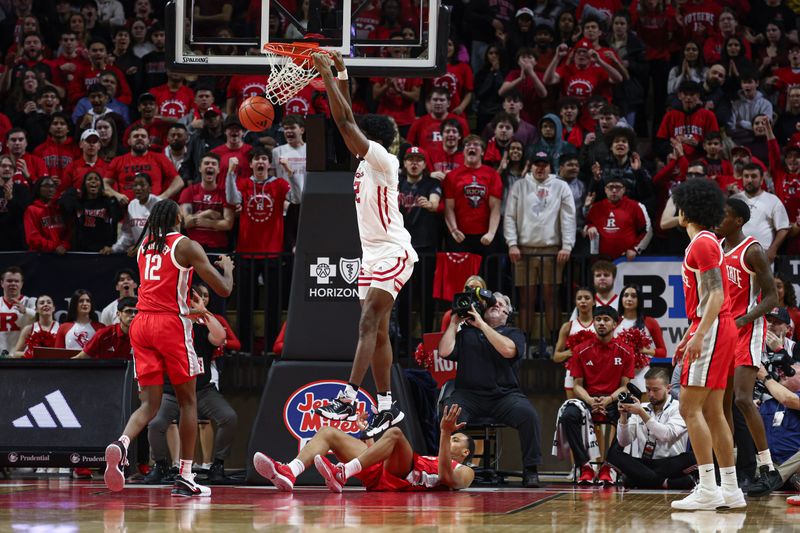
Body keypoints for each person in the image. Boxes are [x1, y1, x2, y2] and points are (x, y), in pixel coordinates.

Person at [304, 52, 418, 437]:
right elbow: (349, 118)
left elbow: (345, 120)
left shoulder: (385, 161)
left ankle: (350, 396)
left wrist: (324, 78)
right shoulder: (365, 161)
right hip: (371, 256)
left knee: (367, 321)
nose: (400, 142)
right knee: (380, 331)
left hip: (393, 251)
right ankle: (386, 405)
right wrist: (341, 72)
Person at [103, 199, 234, 497]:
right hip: (168, 325)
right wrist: (227, 269)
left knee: (149, 403)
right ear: (177, 217)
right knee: (188, 402)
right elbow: (224, 290)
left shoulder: (145, 245)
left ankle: (122, 444)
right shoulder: (186, 245)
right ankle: (186, 475)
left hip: (141, 323)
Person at [670, 178, 744, 510]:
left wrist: (699, 335)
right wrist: (689, 334)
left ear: (688, 208)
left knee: (689, 408)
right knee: (713, 411)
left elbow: (716, 294)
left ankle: (708, 487)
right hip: (715, 327)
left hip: (713, 328)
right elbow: (706, 297)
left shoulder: (702, 243)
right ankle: (730, 489)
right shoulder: (707, 242)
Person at [438, 292, 542, 487]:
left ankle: (531, 470)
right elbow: (444, 351)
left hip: (504, 396)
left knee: (528, 415)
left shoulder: (514, 333)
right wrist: (453, 323)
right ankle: (448, 467)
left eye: (501, 304)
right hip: (469, 394)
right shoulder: (466, 333)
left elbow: (508, 350)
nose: (495, 305)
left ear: (507, 313)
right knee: (449, 414)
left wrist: (482, 326)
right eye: (492, 303)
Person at [716, 198, 781, 495]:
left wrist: (742, 321)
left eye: (724, 215)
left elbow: (771, 299)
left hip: (749, 328)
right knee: (724, 403)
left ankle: (768, 468)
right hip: (724, 331)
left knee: (743, 399)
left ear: (738, 220)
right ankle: (729, 472)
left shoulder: (752, 250)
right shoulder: (716, 247)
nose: (719, 219)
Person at [253, 404, 475, 492]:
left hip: (402, 480)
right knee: (328, 432)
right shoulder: (432, 456)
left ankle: (343, 472)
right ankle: (290, 471)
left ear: (466, 452)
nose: (450, 441)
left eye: (457, 440)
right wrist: (367, 434)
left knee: (396, 433)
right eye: (451, 437)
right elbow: (378, 454)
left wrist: (445, 432)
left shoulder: (466, 471)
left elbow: (447, 477)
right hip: (382, 472)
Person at [145, 286, 238, 484]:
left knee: (229, 418)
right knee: (155, 424)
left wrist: (203, 310)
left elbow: (220, 337)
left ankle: (217, 465)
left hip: (202, 390)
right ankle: (160, 465)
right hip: (171, 391)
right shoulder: (167, 328)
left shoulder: (201, 327)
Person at [554, 305, 634, 485]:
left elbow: (625, 386)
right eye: (598, 320)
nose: (601, 323)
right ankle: (585, 466)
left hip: (613, 399)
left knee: (628, 417)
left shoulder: (626, 350)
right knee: (568, 416)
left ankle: (609, 466)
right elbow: (577, 385)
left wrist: (609, 399)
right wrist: (590, 400)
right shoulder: (581, 350)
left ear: (615, 324)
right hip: (588, 400)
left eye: (606, 320)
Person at [504, 150, 575, 347]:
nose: (540, 167)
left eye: (544, 164)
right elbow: (509, 216)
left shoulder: (561, 186)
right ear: (531, 165)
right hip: (523, 250)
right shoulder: (520, 185)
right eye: (537, 163)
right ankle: (523, 341)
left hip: (552, 249)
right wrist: (512, 243)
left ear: (550, 166)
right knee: (526, 299)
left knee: (551, 297)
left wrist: (567, 246)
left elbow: (568, 216)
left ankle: (555, 341)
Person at [608, 367, 696, 489]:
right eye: (648, 389)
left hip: (670, 463)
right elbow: (624, 441)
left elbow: (666, 435)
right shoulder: (641, 407)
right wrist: (623, 416)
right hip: (643, 463)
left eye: (655, 390)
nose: (650, 394)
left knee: (693, 457)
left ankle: (639, 479)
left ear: (668, 388)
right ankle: (665, 483)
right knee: (613, 455)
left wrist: (642, 414)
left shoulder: (678, 408)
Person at [755, 360, 800, 506]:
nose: (783, 374)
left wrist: (765, 377)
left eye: (790, 372)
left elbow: (788, 399)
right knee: (733, 453)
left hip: (794, 465)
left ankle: (779, 478)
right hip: (769, 464)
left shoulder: (792, 399)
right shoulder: (767, 403)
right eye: (781, 372)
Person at [731, 163, 790, 263]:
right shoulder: (734, 199)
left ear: (762, 179)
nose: (749, 180)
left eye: (754, 176)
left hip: (763, 254)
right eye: (746, 176)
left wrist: (773, 249)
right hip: (736, 253)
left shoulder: (773, 200)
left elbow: (783, 228)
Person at [615, 284, 667, 389]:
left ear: (639, 300)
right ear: (621, 299)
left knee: (642, 405)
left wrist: (645, 350)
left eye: (633, 296)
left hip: (641, 375)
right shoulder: (614, 321)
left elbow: (663, 352)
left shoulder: (649, 322)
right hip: (617, 374)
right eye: (626, 295)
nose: (629, 299)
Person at [179, 152, 234, 253]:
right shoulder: (189, 191)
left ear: (218, 170)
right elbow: (185, 223)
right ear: (200, 168)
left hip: (218, 248)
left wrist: (208, 223)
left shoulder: (225, 193)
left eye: (213, 164)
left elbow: (228, 224)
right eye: (207, 163)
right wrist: (208, 213)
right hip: (193, 248)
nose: (210, 166)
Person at [554, 287, 596, 399]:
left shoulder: (599, 325)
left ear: (594, 301)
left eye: (587, 298)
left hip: (595, 373)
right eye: (579, 298)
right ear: (576, 302)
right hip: (573, 374)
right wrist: (573, 352)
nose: (583, 301)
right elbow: (556, 356)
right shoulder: (568, 326)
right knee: (574, 410)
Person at [109, 172, 159, 255]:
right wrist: (113, 249)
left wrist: (141, 248)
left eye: (142, 185)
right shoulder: (132, 205)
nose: (138, 188)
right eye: (135, 185)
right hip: (140, 253)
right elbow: (128, 234)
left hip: (157, 253)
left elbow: (162, 235)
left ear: (150, 188)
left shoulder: (159, 204)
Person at [73, 296, 137, 360]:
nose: (133, 315)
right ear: (118, 314)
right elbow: (81, 357)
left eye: (136, 312)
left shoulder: (144, 336)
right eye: (128, 311)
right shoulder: (103, 334)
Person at [0, 266, 36, 356]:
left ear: (21, 284)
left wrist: (25, 310)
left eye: (16, 281)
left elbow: (42, 318)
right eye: (9, 281)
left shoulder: (30, 302)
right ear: (2, 283)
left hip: (21, 356)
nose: (13, 284)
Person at [12, 294, 58, 358]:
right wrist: (31, 353)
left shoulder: (61, 328)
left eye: (49, 302)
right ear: (36, 309)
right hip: (34, 366)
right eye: (42, 303)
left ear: (53, 308)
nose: (46, 304)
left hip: (55, 366)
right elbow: (15, 354)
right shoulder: (29, 329)